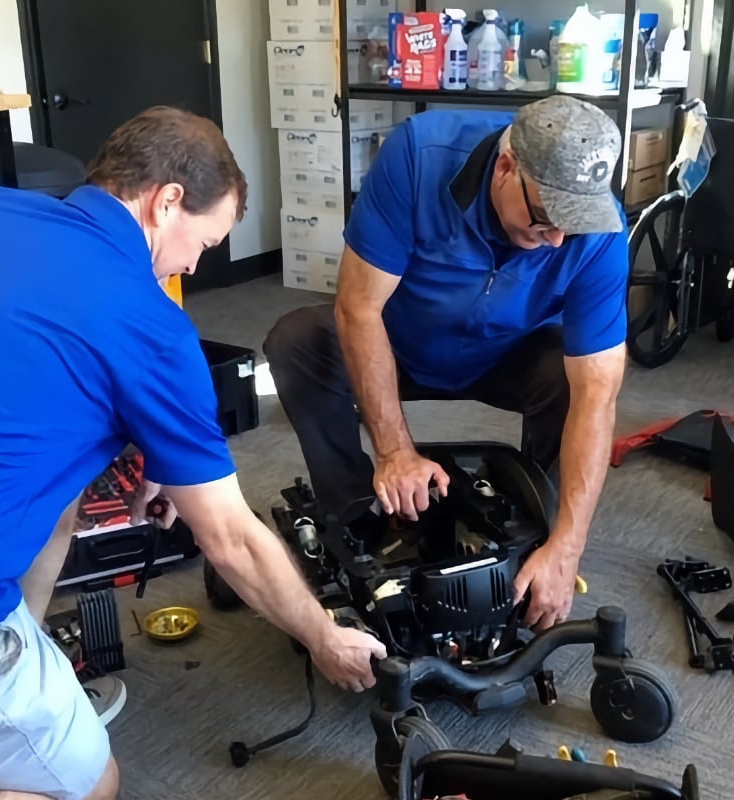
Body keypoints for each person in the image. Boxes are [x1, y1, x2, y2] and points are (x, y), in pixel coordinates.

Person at [0, 107, 385, 800]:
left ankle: (9, 673)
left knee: (63, 495)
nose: (193, 263)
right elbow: (232, 541)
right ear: (167, 201)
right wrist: (324, 637)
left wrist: (154, 448)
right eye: (205, 243)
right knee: (90, 786)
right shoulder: (153, 331)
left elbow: (21, 379)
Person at [264, 95, 629, 633]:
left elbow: (599, 395)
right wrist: (394, 452)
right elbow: (358, 307)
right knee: (297, 340)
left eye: (571, 228)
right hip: (400, 344)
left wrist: (568, 548)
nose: (555, 241)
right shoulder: (419, 154)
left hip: (504, 353)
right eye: (546, 219)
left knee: (572, 381)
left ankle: (534, 546)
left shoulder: (601, 236)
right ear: (506, 166)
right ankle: (361, 516)